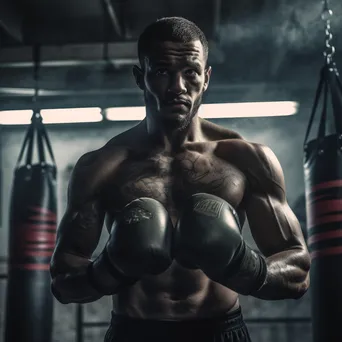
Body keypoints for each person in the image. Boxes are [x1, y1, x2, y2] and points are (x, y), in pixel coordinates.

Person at [50, 17, 311, 342]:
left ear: (206, 78)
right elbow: (63, 280)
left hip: (220, 331)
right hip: (134, 332)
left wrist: (241, 264)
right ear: (139, 77)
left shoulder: (246, 160)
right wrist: (112, 267)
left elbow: (297, 272)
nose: (178, 86)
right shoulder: (101, 166)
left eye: (190, 72)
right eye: (162, 71)